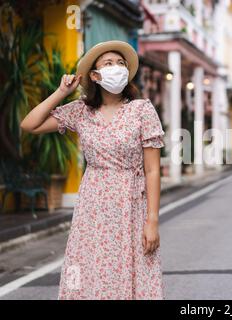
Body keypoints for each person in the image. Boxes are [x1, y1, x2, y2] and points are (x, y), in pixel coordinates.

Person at [20, 41, 165, 300]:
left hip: (130, 205)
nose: (117, 68)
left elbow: (153, 170)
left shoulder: (142, 110)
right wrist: (61, 92)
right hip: (92, 208)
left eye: (121, 64)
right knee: (89, 269)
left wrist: (152, 221)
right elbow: (30, 124)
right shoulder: (81, 112)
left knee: (132, 267)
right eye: (108, 64)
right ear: (95, 76)